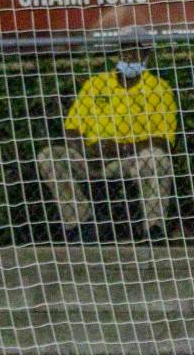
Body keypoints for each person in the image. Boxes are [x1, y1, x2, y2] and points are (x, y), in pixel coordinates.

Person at [34, 47, 177, 242]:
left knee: (157, 157)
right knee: (49, 156)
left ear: (146, 56)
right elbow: (72, 129)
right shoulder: (96, 84)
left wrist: (121, 149)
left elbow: (163, 140)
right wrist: (88, 152)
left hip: (131, 159)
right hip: (91, 157)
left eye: (137, 52)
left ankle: (153, 229)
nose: (130, 57)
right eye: (125, 51)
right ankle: (82, 224)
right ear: (118, 54)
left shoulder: (159, 88)